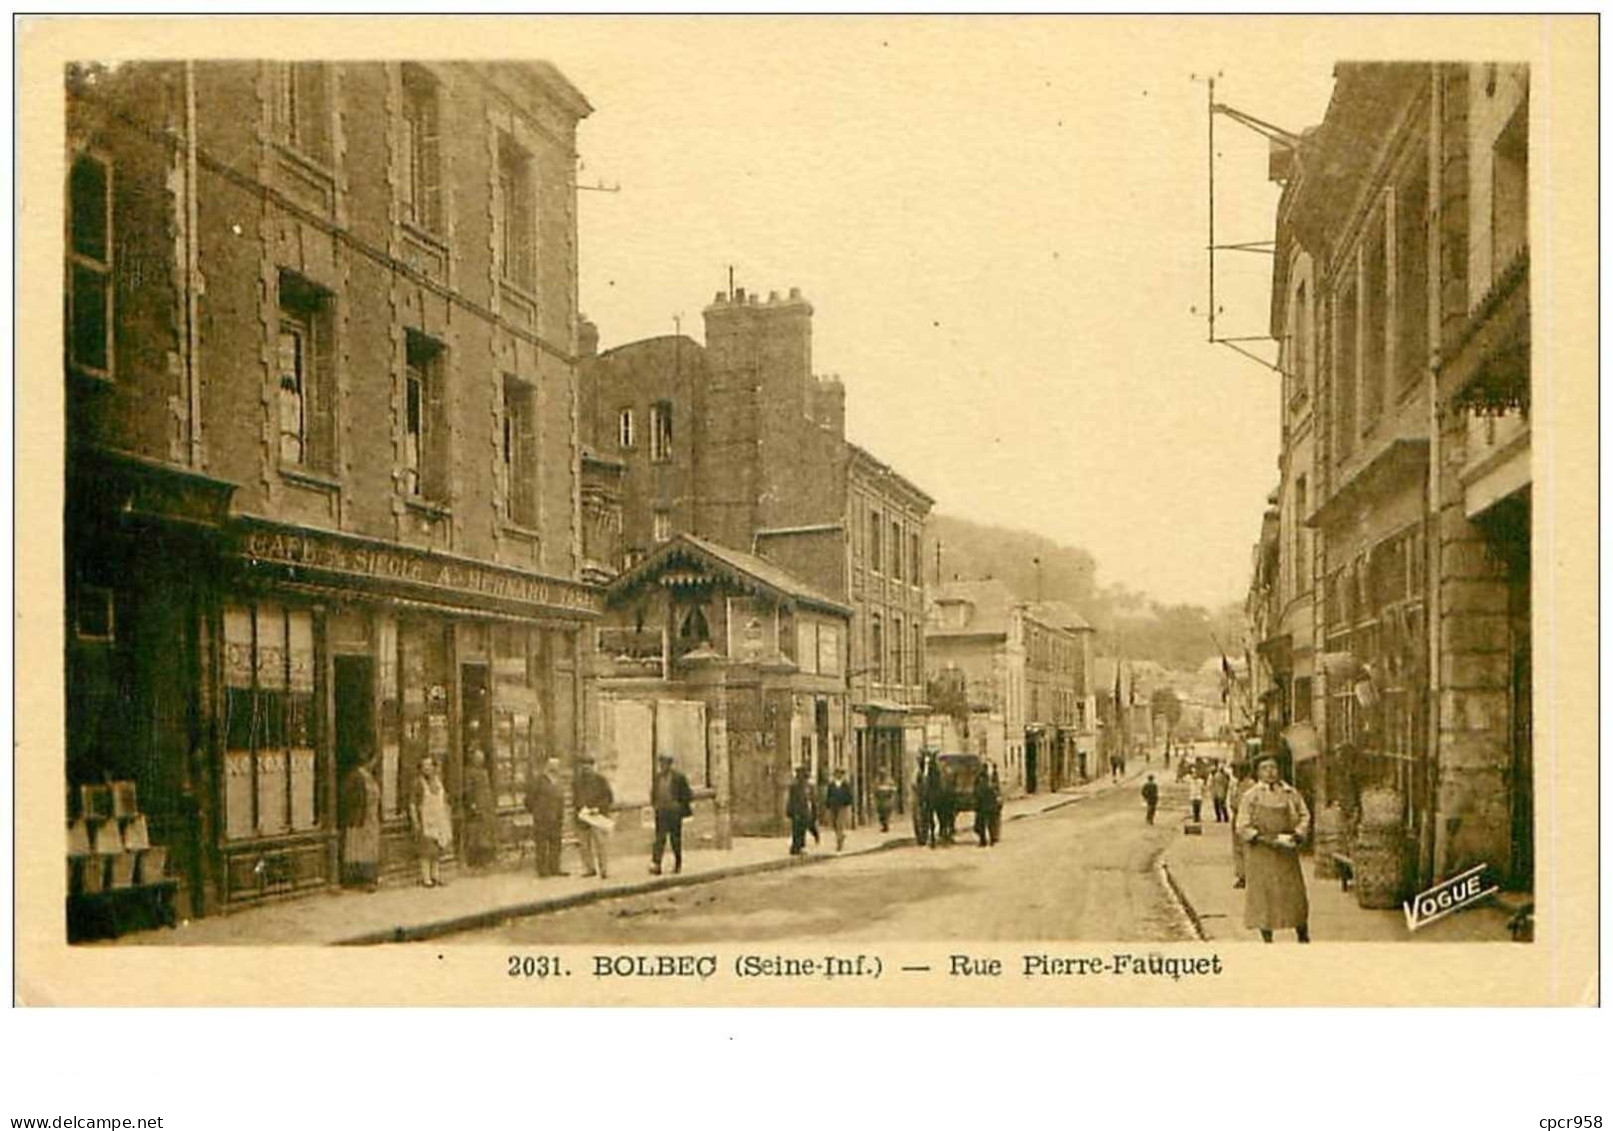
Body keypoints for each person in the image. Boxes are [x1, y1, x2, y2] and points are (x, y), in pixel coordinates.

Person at [1234, 756, 1311, 942]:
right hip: (1261, 853)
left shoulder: (1290, 793)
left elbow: (1304, 815)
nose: (1270, 772)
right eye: (1264, 768)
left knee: (1294, 895)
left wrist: (1298, 834)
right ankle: (1267, 938)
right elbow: (1242, 825)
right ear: (1258, 772)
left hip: (1286, 852)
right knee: (1264, 897)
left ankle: (1303, 934)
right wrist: (1262, 838)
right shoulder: (1251, 796)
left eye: (1273, 767)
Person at [410, 754, 453, 888]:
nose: (427, 768)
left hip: (439, 818)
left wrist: (447, 815)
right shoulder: (418, 783)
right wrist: (415, 820)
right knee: (426, 850)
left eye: (430, 765)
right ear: (421, 768)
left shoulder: (438, 782)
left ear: (434, 767)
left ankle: (436, 875)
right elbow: (412, 803)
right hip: (426, 819)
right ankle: (426, 878)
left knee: (437, 849)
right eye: (424, 766)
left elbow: (444, 800)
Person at [340, 754, 382, 891]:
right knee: (358, 848)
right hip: (360, 819)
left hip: (371, 817)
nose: (375, 764)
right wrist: (356, 809)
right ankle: (360, 879)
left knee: (369, 848)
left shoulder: (370, 777)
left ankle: (369, 878)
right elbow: (346, 795)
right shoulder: (356, 776)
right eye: (374, 761)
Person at [649, 753, 693, 875]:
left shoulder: (678, 777)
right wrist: (655, 805)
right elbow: (653, 793)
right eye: (661, 764)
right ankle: (657, 865)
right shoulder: (657, 778)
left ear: (670, 765)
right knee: (659, 839)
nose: (662, 766)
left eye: (665, 764)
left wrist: (679, 807)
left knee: (675, 840)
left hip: (674, 813)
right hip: (661, 812)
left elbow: (687, 794)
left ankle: (678, 863)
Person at [574, 754, 615, 880]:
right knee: (584, 845)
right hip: (583, 817)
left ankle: (603, 869)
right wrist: (580, 809)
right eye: (583, 767)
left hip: (598, 817)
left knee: (600, 844)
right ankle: (589, 868)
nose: (586, 769)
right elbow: (575, 799)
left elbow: (609, 798)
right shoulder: (577, 782)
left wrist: (598, 808)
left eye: (588, 767)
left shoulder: (601, 780)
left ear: (593, 767)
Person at [524, 757, 566, 878]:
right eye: (552, 766)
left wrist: (560, 814)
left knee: (555, 844)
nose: (554, 769)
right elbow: (529, 799)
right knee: (541, 845)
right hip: (542, 818)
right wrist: (536, 812)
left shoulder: (558, 781)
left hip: (556, 818)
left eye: (557, 766)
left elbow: (561, 799)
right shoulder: (538, 781)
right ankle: (542, 870)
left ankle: (555, 868)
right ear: (547, 767)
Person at [462, 747, 498, 871]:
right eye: (478, 758)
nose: (480, 761)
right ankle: (476, 861)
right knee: (476, 834)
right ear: (473, 760)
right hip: (478, 804)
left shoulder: (484, 772)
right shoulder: (469, 772)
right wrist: (472, 803)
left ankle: (487, 859)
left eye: (481, 758)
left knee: (487, 832)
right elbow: (468, 789)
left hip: (486, 805)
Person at [1229, 763, 1255, 889]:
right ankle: (1241, 875)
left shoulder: (1250, 786)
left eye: (1236, 770)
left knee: (1246, 848)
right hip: (1236, 817)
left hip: (1246, 819)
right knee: (1237, 848)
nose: (1234, 773)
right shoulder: (1236, 784)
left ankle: (1248, 876)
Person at [786, 764, 818, 856]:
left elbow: (811, 799)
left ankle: (799, 847)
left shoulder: (807, 786)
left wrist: (813, 810)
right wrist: (792, 812)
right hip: (798, 811)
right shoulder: (795, 786)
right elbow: (792, 800)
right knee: (797, 830)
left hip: (805, 810)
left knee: (802, 829)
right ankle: (796, 848)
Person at [824, 765, 854, 852]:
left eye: (840, 773)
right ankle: (841, 836)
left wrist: (847, 803)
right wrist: (827, 806)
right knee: (834, 825)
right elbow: (828, 796)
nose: (839, 775)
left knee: (839, 824)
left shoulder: (845, 785)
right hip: (833, 807)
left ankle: (839, 843)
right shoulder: (831, 785)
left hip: (842, 807)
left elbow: (849, 796)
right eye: (837, 773)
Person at [973, 763, 1002, 847]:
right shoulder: (981, 778)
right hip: (984, 804)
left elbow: (996, 789)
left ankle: (989, 839)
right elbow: (976, 789)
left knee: (989, 823)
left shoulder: (990, 778)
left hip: (987, 804)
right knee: (983, 823)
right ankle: (984, 840)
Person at [873, 768, 897, 833]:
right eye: (881, 774)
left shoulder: (889, 781)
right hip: (880, 801)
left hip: (887, 800)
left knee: (886, 814)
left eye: (883, 774)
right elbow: (875, 790)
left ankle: (886, 826)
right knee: (881, 815)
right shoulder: (877, 781)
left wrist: (890, 791)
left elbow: (894, 789)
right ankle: (884, 825)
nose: (882, 775)